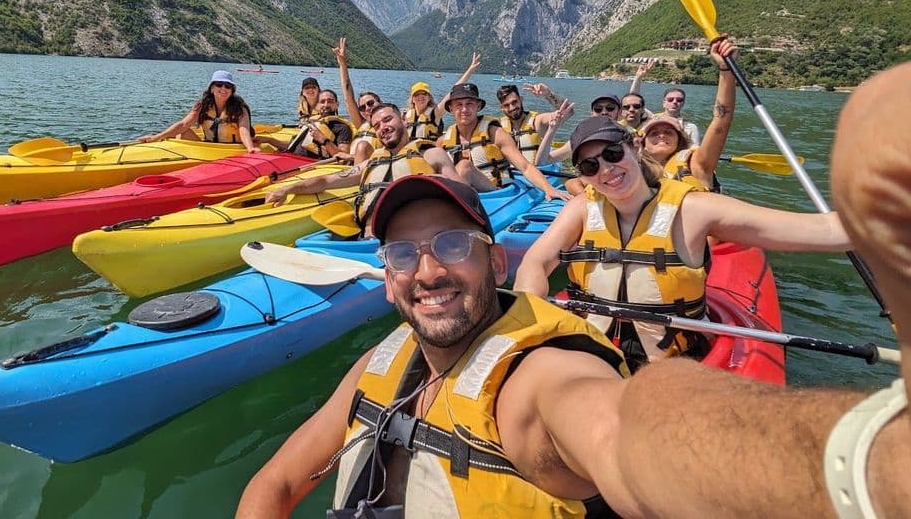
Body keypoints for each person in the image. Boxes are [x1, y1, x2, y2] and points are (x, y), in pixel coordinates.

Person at [238, 142, 911, 517]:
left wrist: (866, 464)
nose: (427, 271)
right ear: (385, 276)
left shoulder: (541, 382)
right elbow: (272, 487)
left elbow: (626, 437)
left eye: (450, 246)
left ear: (487, 258)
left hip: (667, 350)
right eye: (402, 254)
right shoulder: (380, 364)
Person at [512, 114, 849, 368]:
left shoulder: (694, 207)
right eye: (589, 165)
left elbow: (824, 231)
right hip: (592, 354)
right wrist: (531, 320)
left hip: (671, 363)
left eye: (613, 153)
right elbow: (536, 263)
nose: (605, 170)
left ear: (635, 146)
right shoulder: (582, 208)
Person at [264, 104, 482, 232]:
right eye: (377, 126)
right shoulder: (371, 163)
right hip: (364, 240)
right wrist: (288, 189)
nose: (383, 128)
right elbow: (326, 181)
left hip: (408, 242)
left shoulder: (430, 154)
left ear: (403, 121)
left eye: (388, 120)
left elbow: (463, 196)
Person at [437, 83, 570, 201]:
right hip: (465, 190)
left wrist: (548, 188)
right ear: (451, 109)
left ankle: (454, 210)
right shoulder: (443, 141)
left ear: (478, 106)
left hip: (495, 191)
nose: (464, 109)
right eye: (459, 105)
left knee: (464, 166)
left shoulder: (496, 132)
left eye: (469, 104)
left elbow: (526, 167)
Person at [638, 37, 738, 192]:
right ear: (643, 144)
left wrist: (726, 69)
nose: (662, 136)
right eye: (654, 133)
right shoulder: (631, 171)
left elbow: (721, 119)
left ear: (680, 141)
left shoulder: (697, 164)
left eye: (669, 132)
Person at [138, 70, 259, 151]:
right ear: (212, 88)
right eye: (219, 84)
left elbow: (243, 130)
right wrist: (157, 137)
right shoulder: (203, 105)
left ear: (232, 90)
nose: (223, 88)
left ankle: (268, 140)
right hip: (209, 147)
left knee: (256, 140)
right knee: (183, 132)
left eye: (227, 86)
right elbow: (183, 124)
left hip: (232, 148)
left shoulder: (239, 108)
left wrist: (250, 148)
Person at [256, 88, 354, 160]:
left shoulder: (342, 128)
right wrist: (269, 140)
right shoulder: (312, 122)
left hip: (309, 164)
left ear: (337, 104)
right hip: (290, 157)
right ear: (317, 105)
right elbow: (292, 146)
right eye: (322, 102)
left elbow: (343, 156)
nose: (326, 105)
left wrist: (323, 139)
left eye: (330, 102)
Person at [403, 52, 482, 141]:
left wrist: (470, 70)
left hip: (429, 152)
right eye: (417, 94)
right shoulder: (406, 115)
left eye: (424, 94)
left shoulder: (436, 113)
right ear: (412, 99)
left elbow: (453, 91)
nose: (421, 97)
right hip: (409, 152)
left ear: (429, 98)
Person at [496, 82, 575, 165]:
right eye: (506, 105)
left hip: (539, 173)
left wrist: (548, 94)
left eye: (514, 102)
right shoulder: (499, 127)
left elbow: (569, 111)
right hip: (512, 175)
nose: (512, 107)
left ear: (521, 99)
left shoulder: (537, 121)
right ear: (501, 108)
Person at [619, 62, 655, 135]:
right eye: (626, 107)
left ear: (642, 109)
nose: (631, 109)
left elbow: (634, 97)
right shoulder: (616, 128)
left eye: (636, 106)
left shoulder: (652, 127)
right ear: (621, 111)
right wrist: (638, 77)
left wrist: (638, 77)